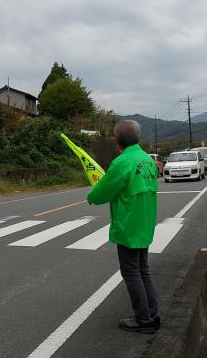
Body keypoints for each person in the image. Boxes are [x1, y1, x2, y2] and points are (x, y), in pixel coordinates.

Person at [87, 120, 160, 334]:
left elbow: (103, 191)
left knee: (131, 272)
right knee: (143, 269)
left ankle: (143, 318)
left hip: (129, 225)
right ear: (138, 138)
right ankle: (151, 312)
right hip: (145, 223)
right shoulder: (147, 160)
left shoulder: (122, 162)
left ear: (117, 140)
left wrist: (92, 196)